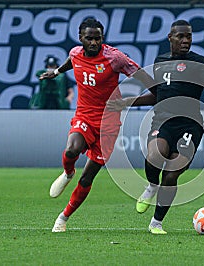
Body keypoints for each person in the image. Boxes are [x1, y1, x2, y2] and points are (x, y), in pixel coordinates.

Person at [107, 20, 204, 234]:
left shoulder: (200, 63)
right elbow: (157, 96)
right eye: (181, 36)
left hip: (190, 125)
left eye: (189, 37)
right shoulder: (160, 61)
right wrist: (127, 102)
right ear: (170, 38)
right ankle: (152, 186)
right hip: (162, 120)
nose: (185, 41)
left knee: (172, 173)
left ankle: (156, 222)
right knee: (155, 156)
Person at [39, 18, 154, 232]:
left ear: (102, 38)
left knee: (88, 177)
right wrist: (56, 73)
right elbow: (71, 62)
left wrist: (142, 97)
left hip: (108, 125)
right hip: (85, 115)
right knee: (71, 149)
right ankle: (67, 173)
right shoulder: (75, 53)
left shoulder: (115, 58)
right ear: (80, 38)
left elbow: (144, 78)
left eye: (97, 38)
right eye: (89, 38)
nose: (93, 42)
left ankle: (63, 218)